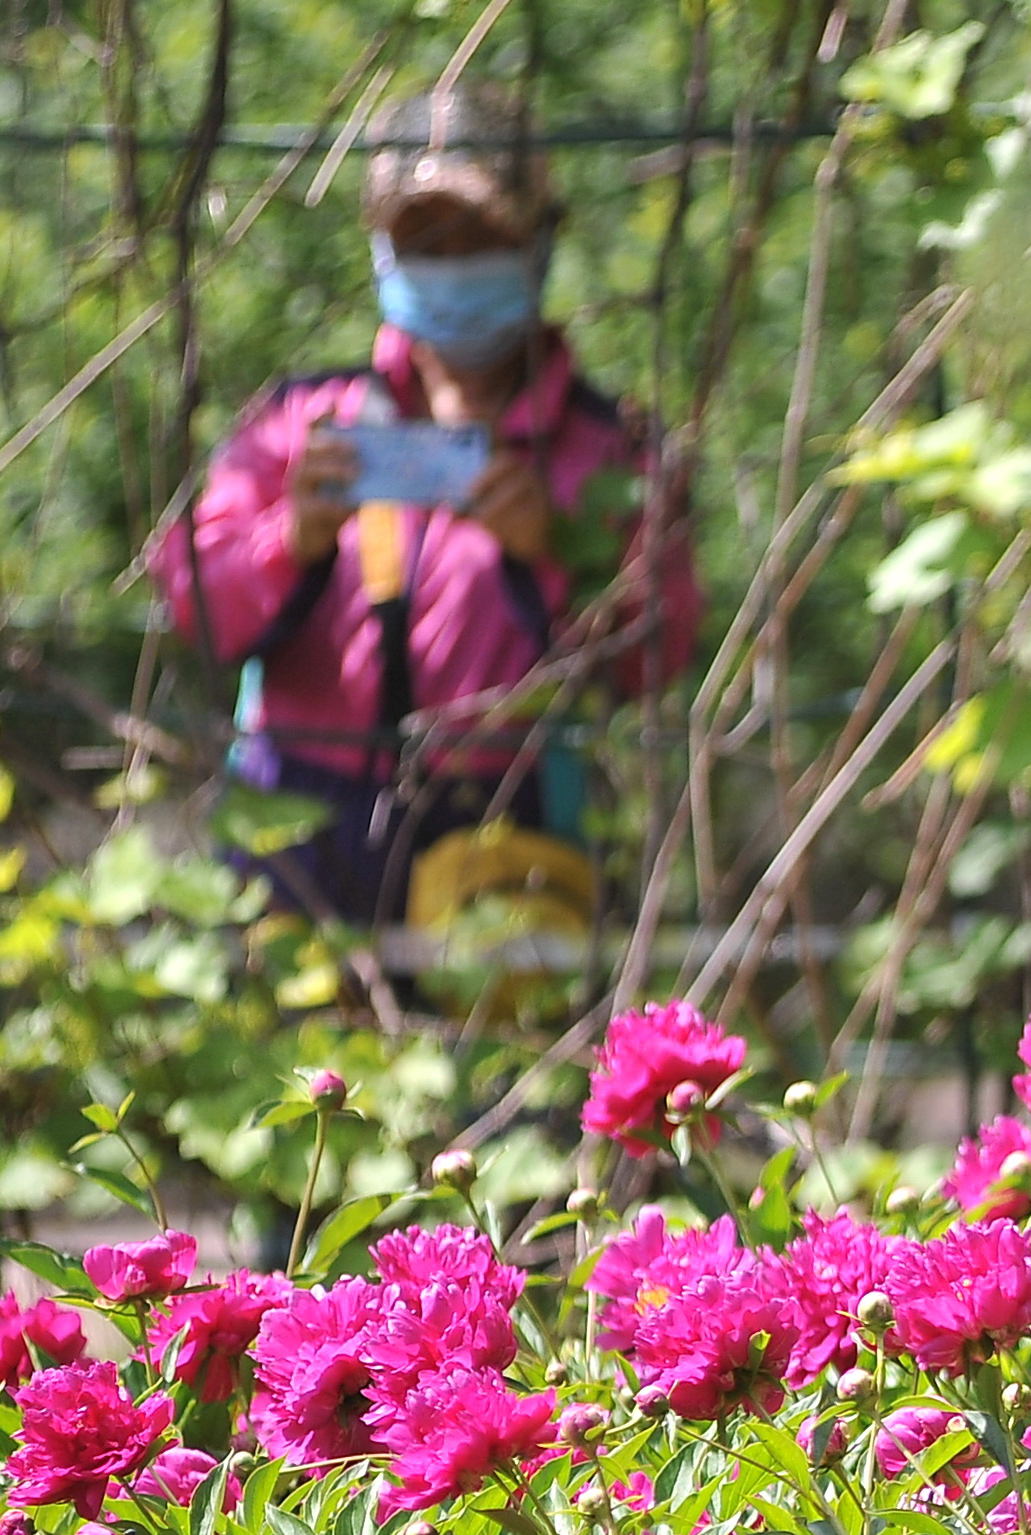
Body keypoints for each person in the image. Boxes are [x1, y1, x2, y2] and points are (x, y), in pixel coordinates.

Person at [149, 83, 698, 932]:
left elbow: (656, 657)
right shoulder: (300, 422)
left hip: (509, 828)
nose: (453, 260)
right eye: (425, 237)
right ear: (382, 251)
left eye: (480, 235)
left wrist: (552, 553)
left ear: (540, 240)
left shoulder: (609, 450)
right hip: (298, 822)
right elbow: (191, 601)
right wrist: (290, 539)